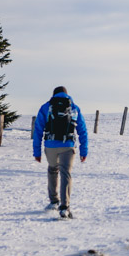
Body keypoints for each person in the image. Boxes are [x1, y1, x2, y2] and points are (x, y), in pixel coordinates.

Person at [32, 86, 89, 219]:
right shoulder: (74, 107)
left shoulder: (46, 107)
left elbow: (38, 130)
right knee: (65, 173)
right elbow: (82, 131)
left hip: (50, 146)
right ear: (67, 95)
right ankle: (64, 207)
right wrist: (84, 150)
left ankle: (54, 201)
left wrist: (37, 151)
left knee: (52, 170)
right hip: (68, 146)